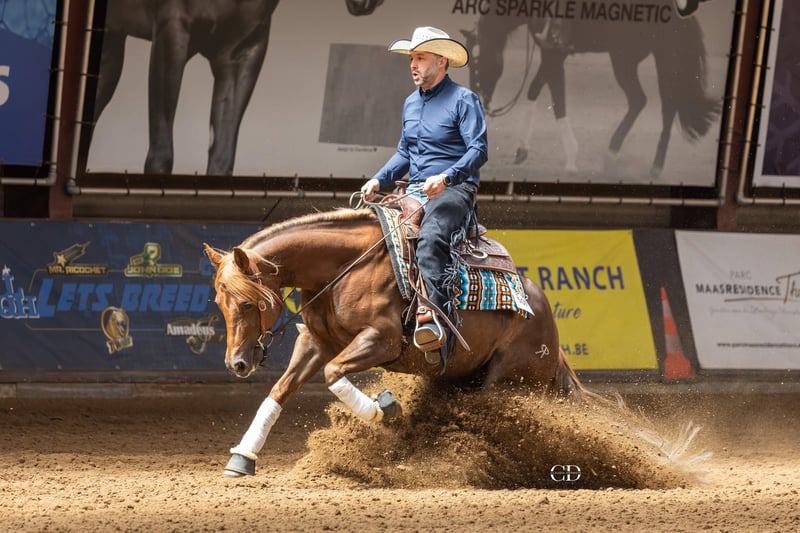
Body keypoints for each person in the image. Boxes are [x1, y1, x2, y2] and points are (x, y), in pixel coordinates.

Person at [360, 26, 488, 364]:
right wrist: (379, 179)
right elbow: (405, 152)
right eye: (411, 59)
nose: (413, 65)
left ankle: (437, 328)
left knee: (430, 240)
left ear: (441, 61)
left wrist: (446, 178)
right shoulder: (410, 103)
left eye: (420, 57)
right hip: (414, 188)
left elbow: (478, 149)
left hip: (455, 190)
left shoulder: (464, 100)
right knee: (369, 235)